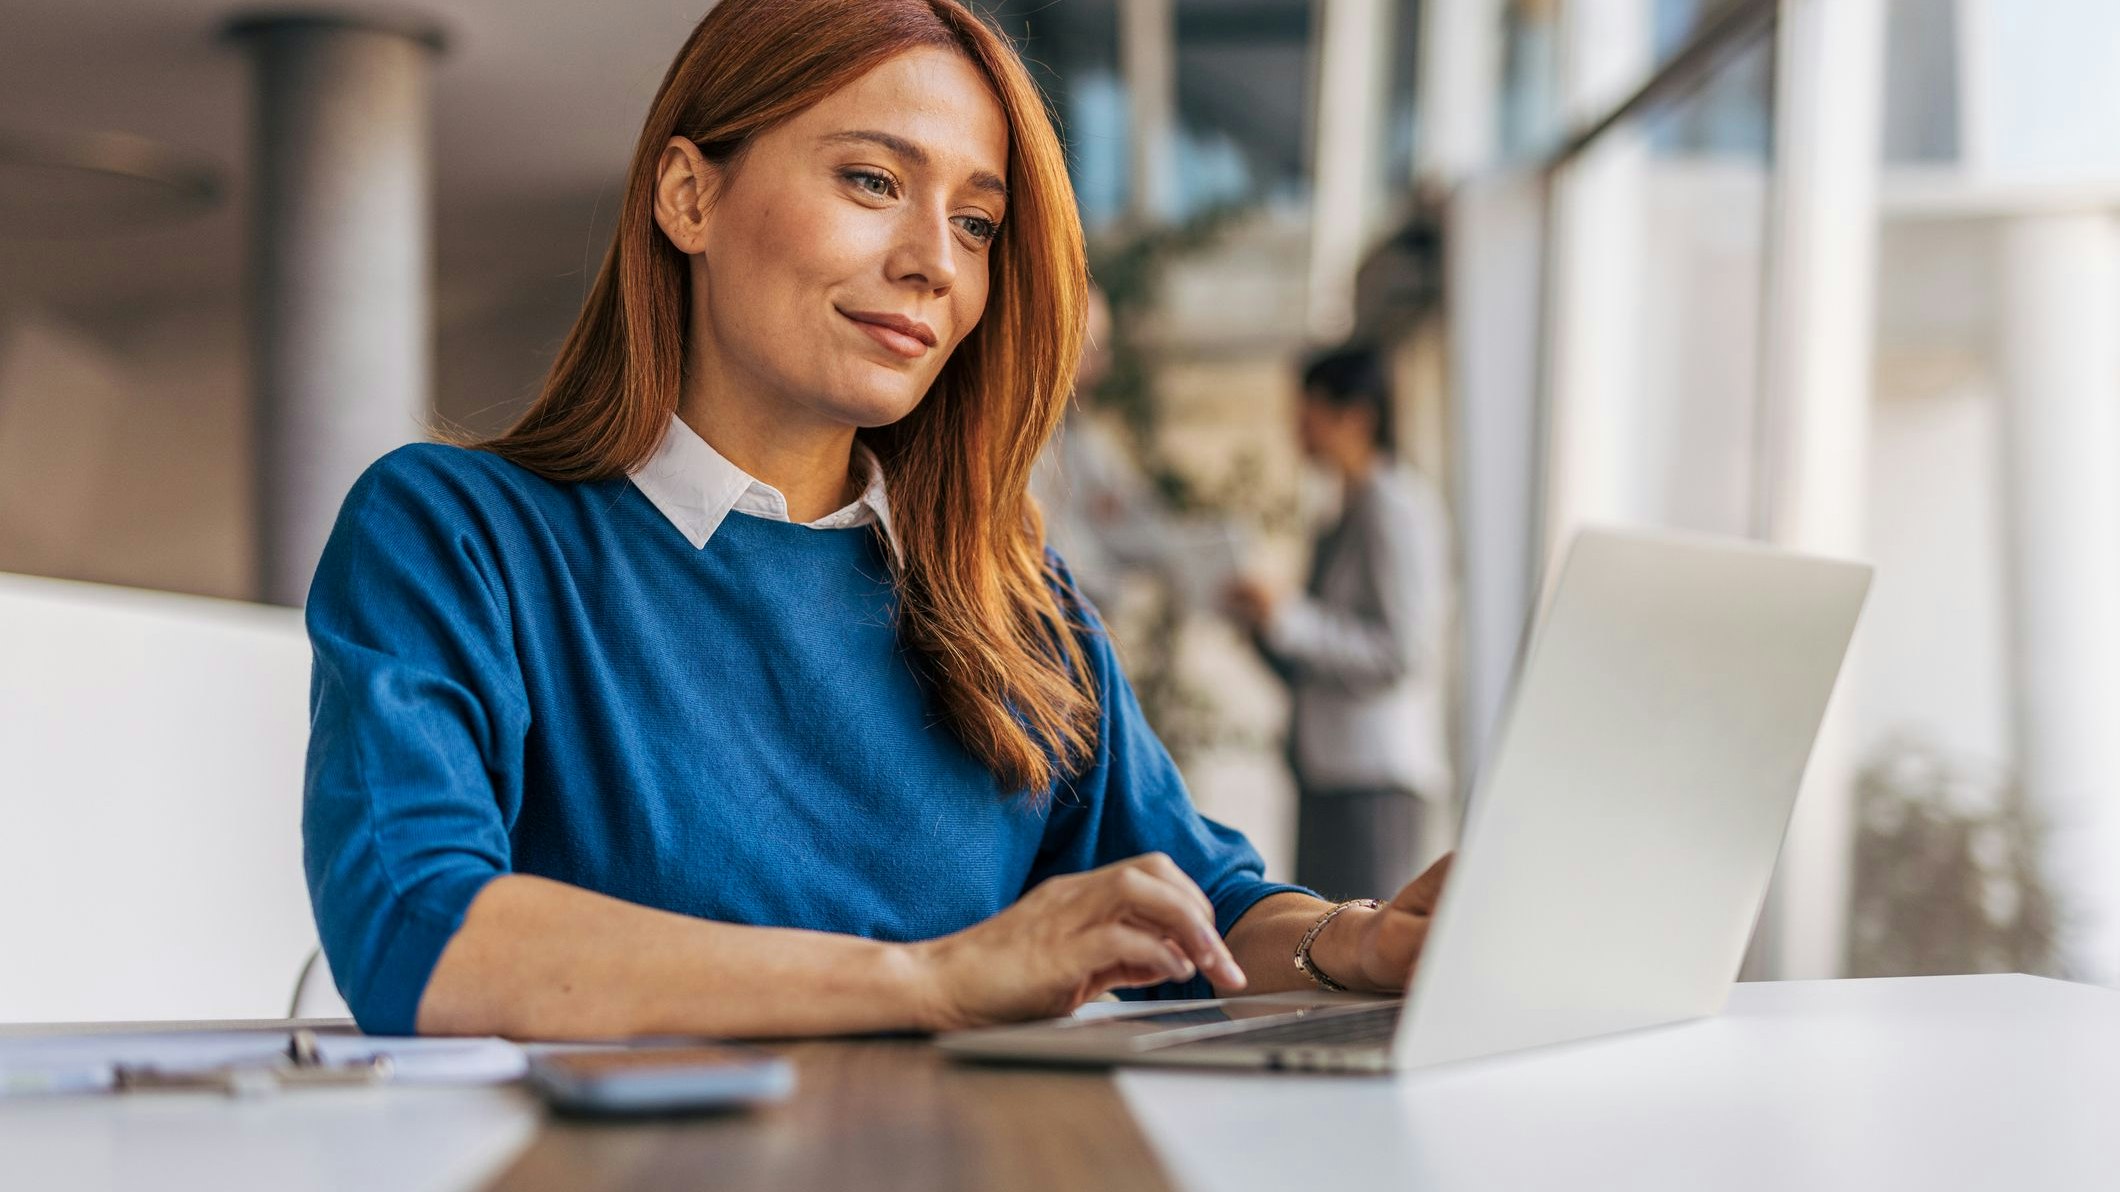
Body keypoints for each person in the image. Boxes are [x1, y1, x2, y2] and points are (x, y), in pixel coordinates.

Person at [302, 0, 1451, 1042]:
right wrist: (933, 979)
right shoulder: (456, 538)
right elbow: (421, 930)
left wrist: (1353, 940)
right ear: (688, 195)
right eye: (869, 180)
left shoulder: (1012, 602)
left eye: (976, 224)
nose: (930, 264)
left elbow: (1202, 906)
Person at [1226, 347, 1455, 902]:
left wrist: (1287, 616)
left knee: (1363, 953)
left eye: (1310, 409)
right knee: (1324, 944)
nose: (1296, 425)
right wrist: (1261, 626)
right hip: (1329, 771)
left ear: (1357, 415)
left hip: (1373, 779)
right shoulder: (1342, 509)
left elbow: (1402, 652)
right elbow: (1315, 661)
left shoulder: (1394, 505)